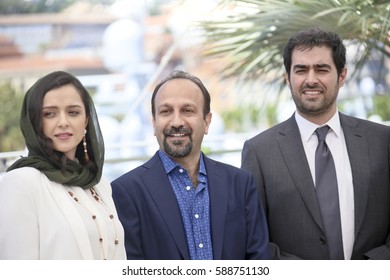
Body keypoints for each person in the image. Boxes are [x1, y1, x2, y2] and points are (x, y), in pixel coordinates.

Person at [241, 27, 390, 260]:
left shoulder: (383, 141)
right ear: (287, 77)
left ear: (342, 76)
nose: (311, 79)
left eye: (321, 69)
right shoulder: (259, 152)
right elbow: (252, 237)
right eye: (301, 70)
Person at [111, 70, 270, 260]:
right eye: (165, 111)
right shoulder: (126, 192)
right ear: (153, 123)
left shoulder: (240, 184)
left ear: (207, 121)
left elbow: (259, 260)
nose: (176, 122)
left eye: (187, 110)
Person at [0, 71, 126, 260]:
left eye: (73, 112)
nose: (63, 122)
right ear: (35, 122)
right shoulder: (21, 183)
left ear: (86, 121)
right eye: (50, 114)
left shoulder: (99, 184)